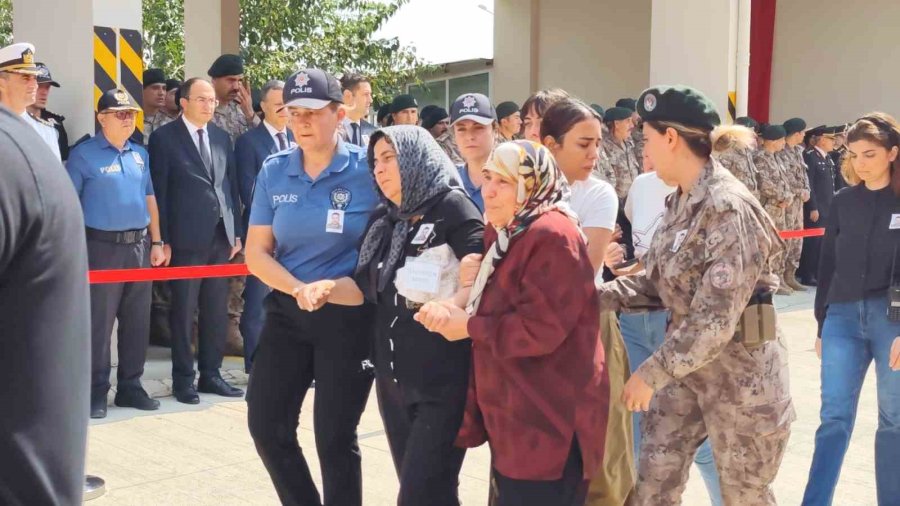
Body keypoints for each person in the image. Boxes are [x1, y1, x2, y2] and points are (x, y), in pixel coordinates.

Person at [597, 85, 793, 505]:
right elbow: (657, 282)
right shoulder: (679, 202)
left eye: (647, 139)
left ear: (671, 138)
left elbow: (715, 320)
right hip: (686, 374)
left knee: (744, 496)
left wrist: (649, 374)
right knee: (651, 485)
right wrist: (588, 297)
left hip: (742, 380)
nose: (643, 152)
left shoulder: (727, 206)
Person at [415, 140, 609, 506]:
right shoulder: (510, 231)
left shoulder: (552, 235)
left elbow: (541, 330)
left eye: (503, 182)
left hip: (551, 425)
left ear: (532, 184)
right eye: (487, 178)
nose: (489, 190)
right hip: (518, 422)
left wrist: (468, 326)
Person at [244, 68, 379, 506]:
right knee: (267, 424)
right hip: (288, 311)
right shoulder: (274, 171)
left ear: (339, 114)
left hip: (347, 317)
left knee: (335, 437)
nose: (301, 121)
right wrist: (299, 288)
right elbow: (257, 252)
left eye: (313, 112)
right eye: (294, 112)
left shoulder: (368, 168)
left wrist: (336, 287)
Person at [356, 125, 484, 505]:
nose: (379, 169)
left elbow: (482, 278)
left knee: (416, 496)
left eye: (390, 157)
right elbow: (369, 287)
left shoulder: (453, 208)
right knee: (434, 494)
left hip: (442, 381)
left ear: (416, 158)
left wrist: (454, 303)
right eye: (375, 161)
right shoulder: (384, 218)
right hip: (393, 379)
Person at [604, 151, 725, 506]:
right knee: (638, 435)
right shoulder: (642, 187)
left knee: (689, 437)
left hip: (671, 324)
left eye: (652, 142)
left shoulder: (713, 196)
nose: (646, 153)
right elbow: (642, 250)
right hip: (632, 319)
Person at [802, 113, 900, 506]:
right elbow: (827, 266)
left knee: (893, 420)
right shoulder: (843, 201)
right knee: (834, 420)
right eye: (855, 154)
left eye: (871, 154)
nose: (861, 162)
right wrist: (822, 323)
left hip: (891, 319)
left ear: (893, 153)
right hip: (841, 317)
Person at [540, 99, 628, 506]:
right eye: (583, 144)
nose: (595, 153)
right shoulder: (521, 189)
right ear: (550, 145)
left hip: (588, 325)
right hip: (532, 331)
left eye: (597, 144)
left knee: (600, 446)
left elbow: (582, 270)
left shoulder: (598, 194)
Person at [66, 88, 165, 418]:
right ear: (102, 118)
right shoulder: (84, 155)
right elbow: (70, 206)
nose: (128, 120)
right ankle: (95, 390)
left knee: (138, 321)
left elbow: (149, 197)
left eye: (132, 114)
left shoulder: (140, 154)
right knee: (99, 323)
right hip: (101, 248)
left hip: (137, 247)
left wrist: (157, 241)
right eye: (120, 114)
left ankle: (130, 386)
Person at [149, 77, 244, 404]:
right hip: (185, 239)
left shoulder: (221, 137)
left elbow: (230, 187)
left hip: (220, 239)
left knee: (216, 310)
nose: (209, 105)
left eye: (212, 100)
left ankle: (211, 375)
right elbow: (159, 192)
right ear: (184, 102)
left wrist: (236, 232)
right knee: (184, 310)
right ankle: (183, 380)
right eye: (201, 99)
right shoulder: (164, 138)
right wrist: (162, 240)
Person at [234, 79, 295, 373]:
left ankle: (291, 365)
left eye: (288, 103)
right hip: (264, 234)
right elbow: (249, 190)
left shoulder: (299, 138)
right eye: (278, 104)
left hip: (297, 237)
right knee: (258, 302)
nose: (285, 109)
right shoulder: (249, 143)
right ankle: (256, 367)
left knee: (291, 302)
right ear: (263, 107)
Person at [0, 43, 61, 162]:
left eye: (34, 78)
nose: (34, 85)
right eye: (25, 78)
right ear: (2, 83)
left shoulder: (46, 131)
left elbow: (51, 178)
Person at [754, 124, 794, 294]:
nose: (784, 143)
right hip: (769, 206)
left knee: (780, 244)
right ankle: (766, 280)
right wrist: (782, 197)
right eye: (782, 139)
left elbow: (784, 180)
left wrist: (788, 196)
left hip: (780, 207)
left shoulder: (775, 157)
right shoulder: (761, 158)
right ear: (773, 141)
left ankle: (778, 278)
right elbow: (765, 184)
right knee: (768, 244)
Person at [799, 125, 837, 286]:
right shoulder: (810, 156)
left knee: (822, 242)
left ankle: (817, 272)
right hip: (817, 207)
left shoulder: (826, 157)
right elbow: (810, 184)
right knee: (813, 242)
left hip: (828, 206)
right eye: (831, 139)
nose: (834, 142)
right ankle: (807, 274)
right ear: (821, 139)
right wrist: (812, 207)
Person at [778, 117, 812, 291]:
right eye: (803, 132)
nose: (804, 135)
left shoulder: (798, 150)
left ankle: (790, 275)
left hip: (798, 202)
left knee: (796, 239)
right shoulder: (780, 150)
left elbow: (803, 174)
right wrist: (800, 191)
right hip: (787, 201)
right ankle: (779, 277)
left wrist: (807, 190)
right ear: (796, 133)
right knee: (784, 239)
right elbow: (784, 177)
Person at [450, 93, 496, 212]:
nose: (470, 136)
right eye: (461, 129)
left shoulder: (511, 178)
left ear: (495, 130)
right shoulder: (447, 181)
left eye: (478, 127)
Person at [209, 54, 259, 144]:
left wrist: (250, 114)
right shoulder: (203, 109)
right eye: (230, 80)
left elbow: (264, 139)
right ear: (214, 80)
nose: (236, 87)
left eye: (239, 80)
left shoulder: (242, 108)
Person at [29, 62, 69, 160]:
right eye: (39, 86)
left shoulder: (56, 123)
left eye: (47, 87)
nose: (44, 92)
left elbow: (63, 160)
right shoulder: (12, 119)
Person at [712, 124, 760, 200]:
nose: (753, 139)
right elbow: (719, 180)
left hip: (747, 197)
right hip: (733, 198)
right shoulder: (728, 153)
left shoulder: (747, 152)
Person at [602, 106, 641, 201]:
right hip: (616, 203)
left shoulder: (629, 143)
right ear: (617, 124)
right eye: (628, 121)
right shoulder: (603, 147)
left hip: (633, 200)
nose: (632, 125)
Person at [339, 73, 375, 148]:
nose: (371, 100)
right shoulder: (329, 130)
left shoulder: (373, 133)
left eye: (370, 94)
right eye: (366, 94)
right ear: (348, 96)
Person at [143, 68, 173, 141]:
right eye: (155, 88)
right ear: (142, 90)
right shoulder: (131, 121)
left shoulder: (170, 123)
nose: (161, 93)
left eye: (164, 88)